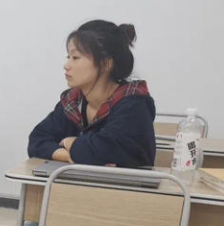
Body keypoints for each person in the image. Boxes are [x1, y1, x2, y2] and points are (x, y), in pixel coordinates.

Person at [28, 20, 156, 167]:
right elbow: (37, 140)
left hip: (125, 182)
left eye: (75, 58)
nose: (66, 65)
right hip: (77, 180)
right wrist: (66, 154)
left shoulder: (134, 105)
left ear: (105, 64)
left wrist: (69, 142)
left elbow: (101, 150)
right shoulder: (73, 102)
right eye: (68, 57)